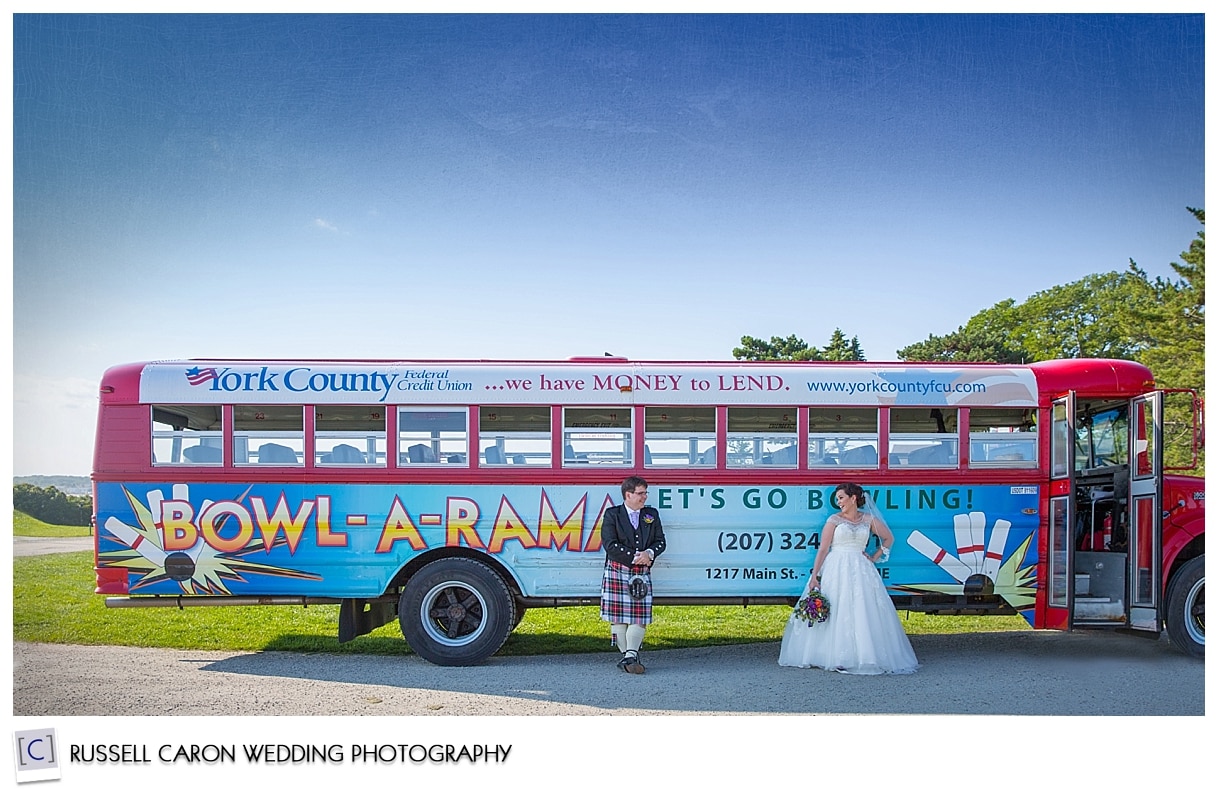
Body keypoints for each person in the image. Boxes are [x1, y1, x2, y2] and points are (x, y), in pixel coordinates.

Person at [778, 482, 919, 674]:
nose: (839, 502)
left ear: (853, 498)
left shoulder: (868, 520)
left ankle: (864, 655)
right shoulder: (834, 520)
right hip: (836, 566)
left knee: (862, 609)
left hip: (862, 568)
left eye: (841, 498)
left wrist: (874, 557)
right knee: (838, 606)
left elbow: (889, 538)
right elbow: (823, 548)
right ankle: (834, 655)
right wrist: (814, 576)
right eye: (837, 499)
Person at [600, 475, 666, 674]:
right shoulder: (612, 514)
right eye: (640, 493)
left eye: (645, 492)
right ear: (628, 494)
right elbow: (609, 545)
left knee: (640, 616)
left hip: (642, 571)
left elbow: (660, 541)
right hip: (618, 569)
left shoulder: (651, 514)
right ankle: (629, 656)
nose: (644, 497)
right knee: (618, 617)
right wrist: (635, 557)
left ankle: (629, 656)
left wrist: (650, 553)